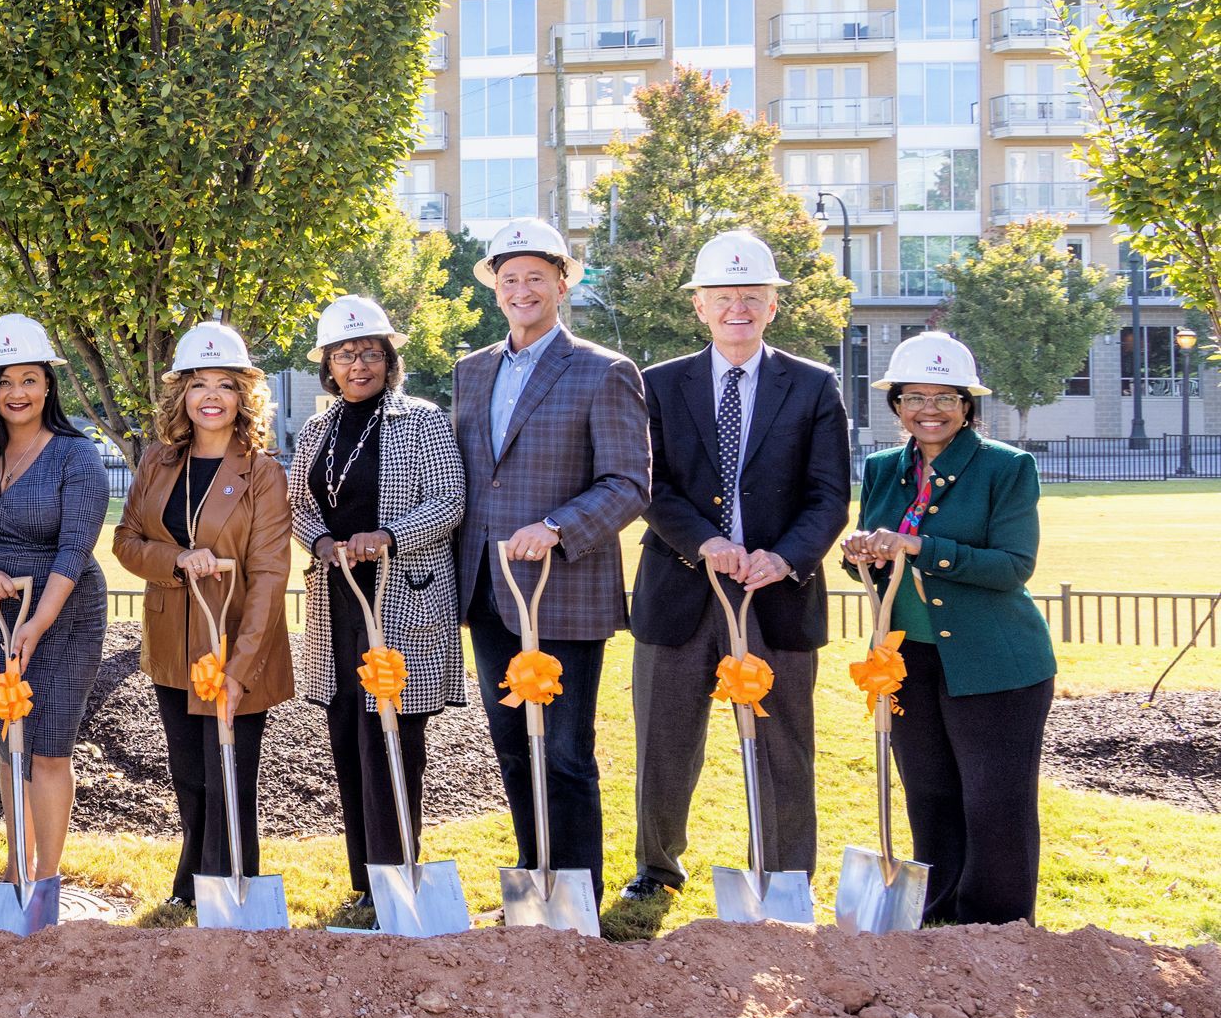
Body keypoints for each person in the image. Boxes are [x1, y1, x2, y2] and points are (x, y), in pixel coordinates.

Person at [624, 231, 853, 912]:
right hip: (680, 592)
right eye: (723, 297)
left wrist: (784, 557)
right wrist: (704, 542)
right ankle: (657, 867)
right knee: (664, 743)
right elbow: (649, 484)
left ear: (772, 305)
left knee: (783, 745)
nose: (737, 309)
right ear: (700, 305)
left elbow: (828, 494)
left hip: (776, 596)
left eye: (751, 297)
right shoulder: (659, 384)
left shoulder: (813, 387)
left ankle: (783, 877)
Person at [449, 218, 649, 882]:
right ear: (495, 291)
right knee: (510, 743)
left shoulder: (602, 370)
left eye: (536, 276)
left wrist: (559, 527)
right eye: (510, 279)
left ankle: (576, 891)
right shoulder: (472, 371)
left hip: (561, 590)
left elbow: (629, 482)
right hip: (487, 587)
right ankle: (534, 872)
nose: (522, 289)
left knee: (564, 750)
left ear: (563, 284)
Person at [840, 331, 1055, 925]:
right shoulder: (884, 468)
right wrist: (860, 549)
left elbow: (1013, 566)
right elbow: (875, 549)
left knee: (994, 804)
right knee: (931, 798)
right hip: (909, 663)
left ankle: (995, 933)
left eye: (944, 397)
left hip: (996, 662)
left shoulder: (1005, 468)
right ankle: (936, 925)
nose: (928, 409)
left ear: (967, 405)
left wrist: (921, 546)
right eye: (913, 397)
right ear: (896, 405)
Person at [285, 296, 465, 915]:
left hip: (400, 597)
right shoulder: (317, 428)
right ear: (327, 366)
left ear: (389, 358)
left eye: (368, 353)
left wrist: (387, 537)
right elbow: (297, 507)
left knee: (392, 735)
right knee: (347, 733)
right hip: (336, 596)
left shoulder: (421, 420)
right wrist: (324, 540)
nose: (357, 365)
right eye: (343, 355)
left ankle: (400, 871)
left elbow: (448, 502)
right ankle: (366, 880)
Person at [112, 321, 294, 908]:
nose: (210, 396)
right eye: (198, 384)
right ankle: (192, 885)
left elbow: (270, 575)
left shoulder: (261, 472)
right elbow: (126, 542)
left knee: (231, 776)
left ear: (244, 396)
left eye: (224, 384)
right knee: (189, 775)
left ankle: (233, 888)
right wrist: (177, 558)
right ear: (181, 396)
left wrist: (241, 670)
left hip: (237, 644)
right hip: (173, 643)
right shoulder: (160, 463)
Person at [0, 315, 112, 887]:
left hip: (63, 613)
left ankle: (46, 878)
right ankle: (14, 870)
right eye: (7, 380)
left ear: (48, 386)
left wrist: (38, 620)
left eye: (31, 379)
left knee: (48, 747)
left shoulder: (75, 455)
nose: (19, 393)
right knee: (10, 740)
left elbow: (75, 547)